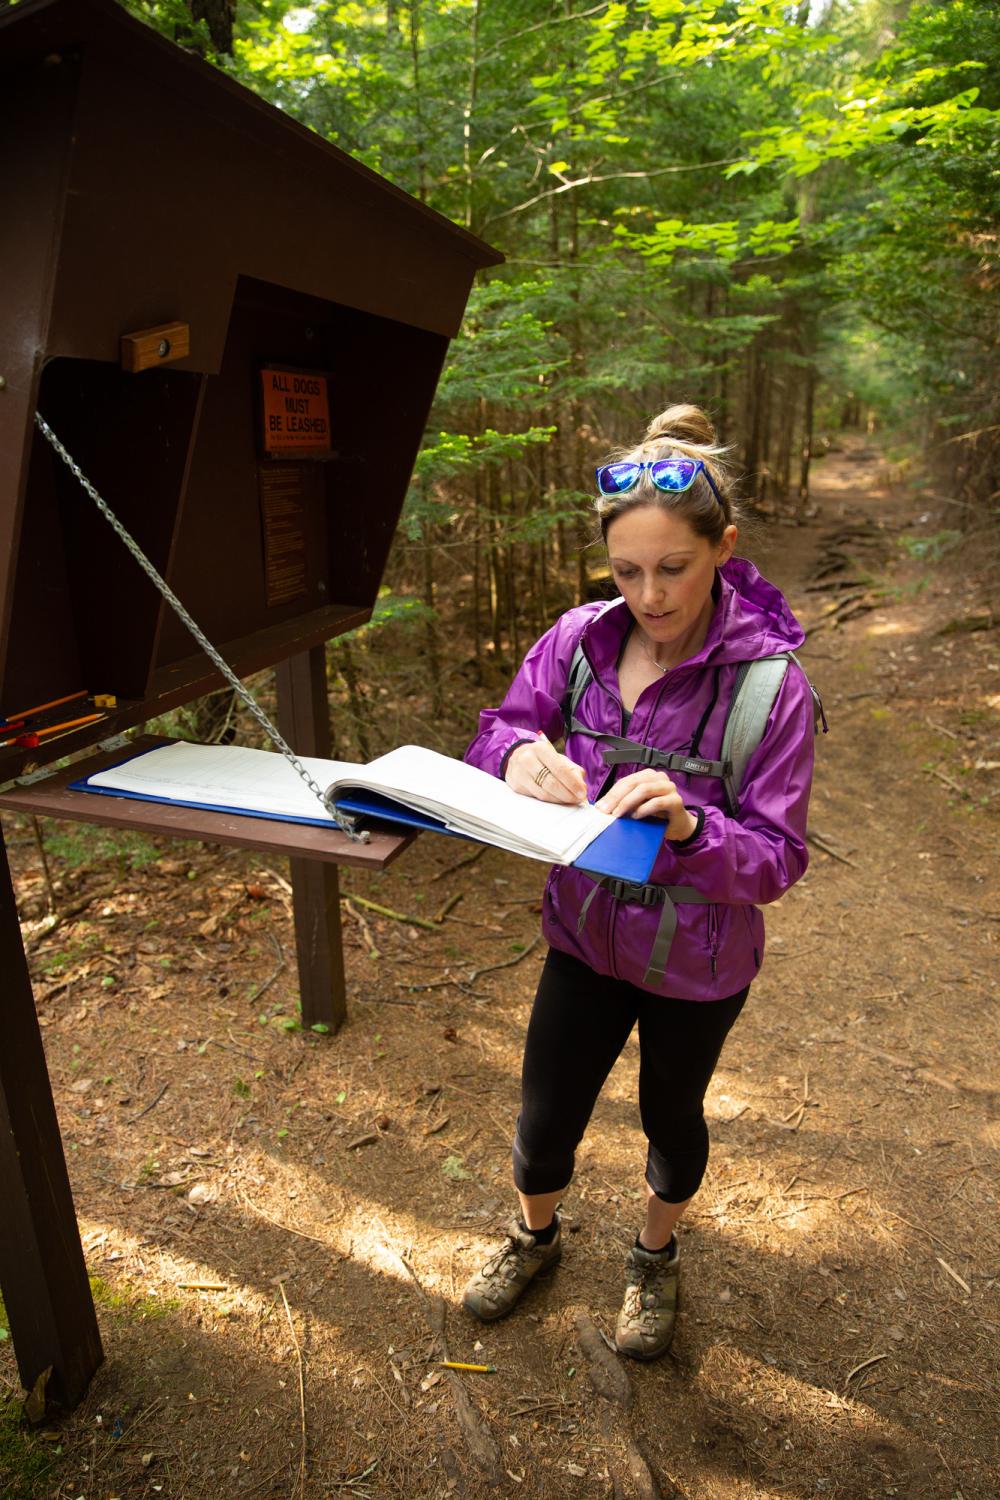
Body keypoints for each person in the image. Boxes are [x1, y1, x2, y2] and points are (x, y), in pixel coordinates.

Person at [460, 403, 815, 1360]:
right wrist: (516, 755)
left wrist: (693, 826)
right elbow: (496, 727)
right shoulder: (576, 642)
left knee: (671, 1116)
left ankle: (654, 1260)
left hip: (699, 965)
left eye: (675, 568)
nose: (650, 595)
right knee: (544, 1118)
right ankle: (535, 1236)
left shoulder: (768, 688)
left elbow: (779, 856)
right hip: (581, 936)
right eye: (626, 571)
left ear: (724, 548)